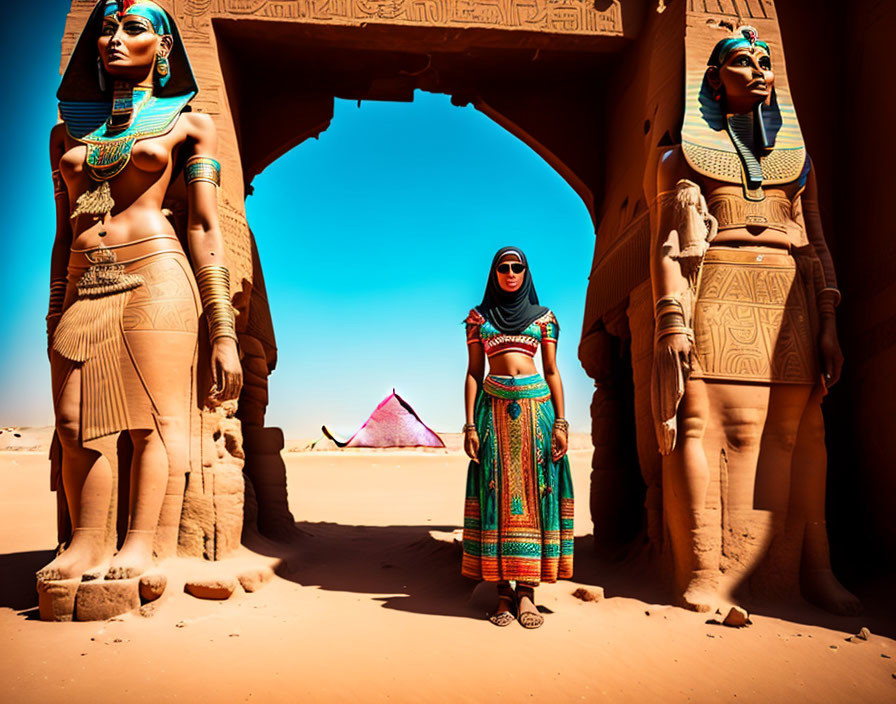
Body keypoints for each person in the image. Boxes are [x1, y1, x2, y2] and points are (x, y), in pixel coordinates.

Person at [649, 26, 859, 614]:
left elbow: (816, 247)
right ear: (713, 79)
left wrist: (828, 322)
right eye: (743, 61)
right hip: (715, 290)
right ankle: (703, 569)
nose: (760, 71)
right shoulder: (678, 158)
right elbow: (668, 246)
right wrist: (671, 321)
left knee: (798, 433)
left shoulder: (798, 165)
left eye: (765, 61)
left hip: (790, 296)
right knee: (701, 425)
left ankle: (808, 569)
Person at [38, 0, 242, 583]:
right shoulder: (65, 136)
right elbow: (61, 232)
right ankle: (84, 542)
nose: (115, 40)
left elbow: (203, 226)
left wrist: (222, 330)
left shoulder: (188, 125)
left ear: (164, 49)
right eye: (106, 31)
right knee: (76, 423)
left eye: (133, 29)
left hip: (157, 274)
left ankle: (140, 544)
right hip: (84, 283)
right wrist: (55, 305)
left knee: (150, 421)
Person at [461, 247, 574, 628]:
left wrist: (560, 422)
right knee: (497, 495)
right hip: (493, 412)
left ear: (526, 273)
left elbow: (553, 371)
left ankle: (527, 593)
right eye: (503, 268)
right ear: (493, 273)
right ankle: (503, 595)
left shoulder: (545, 318)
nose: (510, 273)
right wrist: (470, 425)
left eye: (517, 267)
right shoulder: (478, 319)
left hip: (535, 413)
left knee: (537, 493)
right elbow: (474, 372)